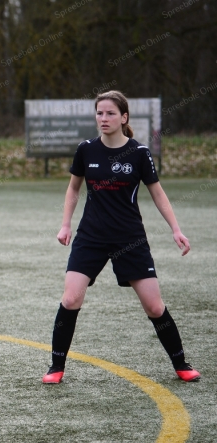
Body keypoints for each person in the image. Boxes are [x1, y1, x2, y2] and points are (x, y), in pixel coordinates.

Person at [43, 90, 200, 384]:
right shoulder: (86, 150)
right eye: (99, 113)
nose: (104, 118)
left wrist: (176, 229)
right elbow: (74, 189)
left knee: (154, 306)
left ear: (124, 117)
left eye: (110, 113)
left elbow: (158, 193)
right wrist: (66, 224)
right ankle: (56, 367)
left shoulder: (139, 153)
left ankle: (181, 364)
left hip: (130, 237)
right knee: (71, 297)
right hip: (91, 236)